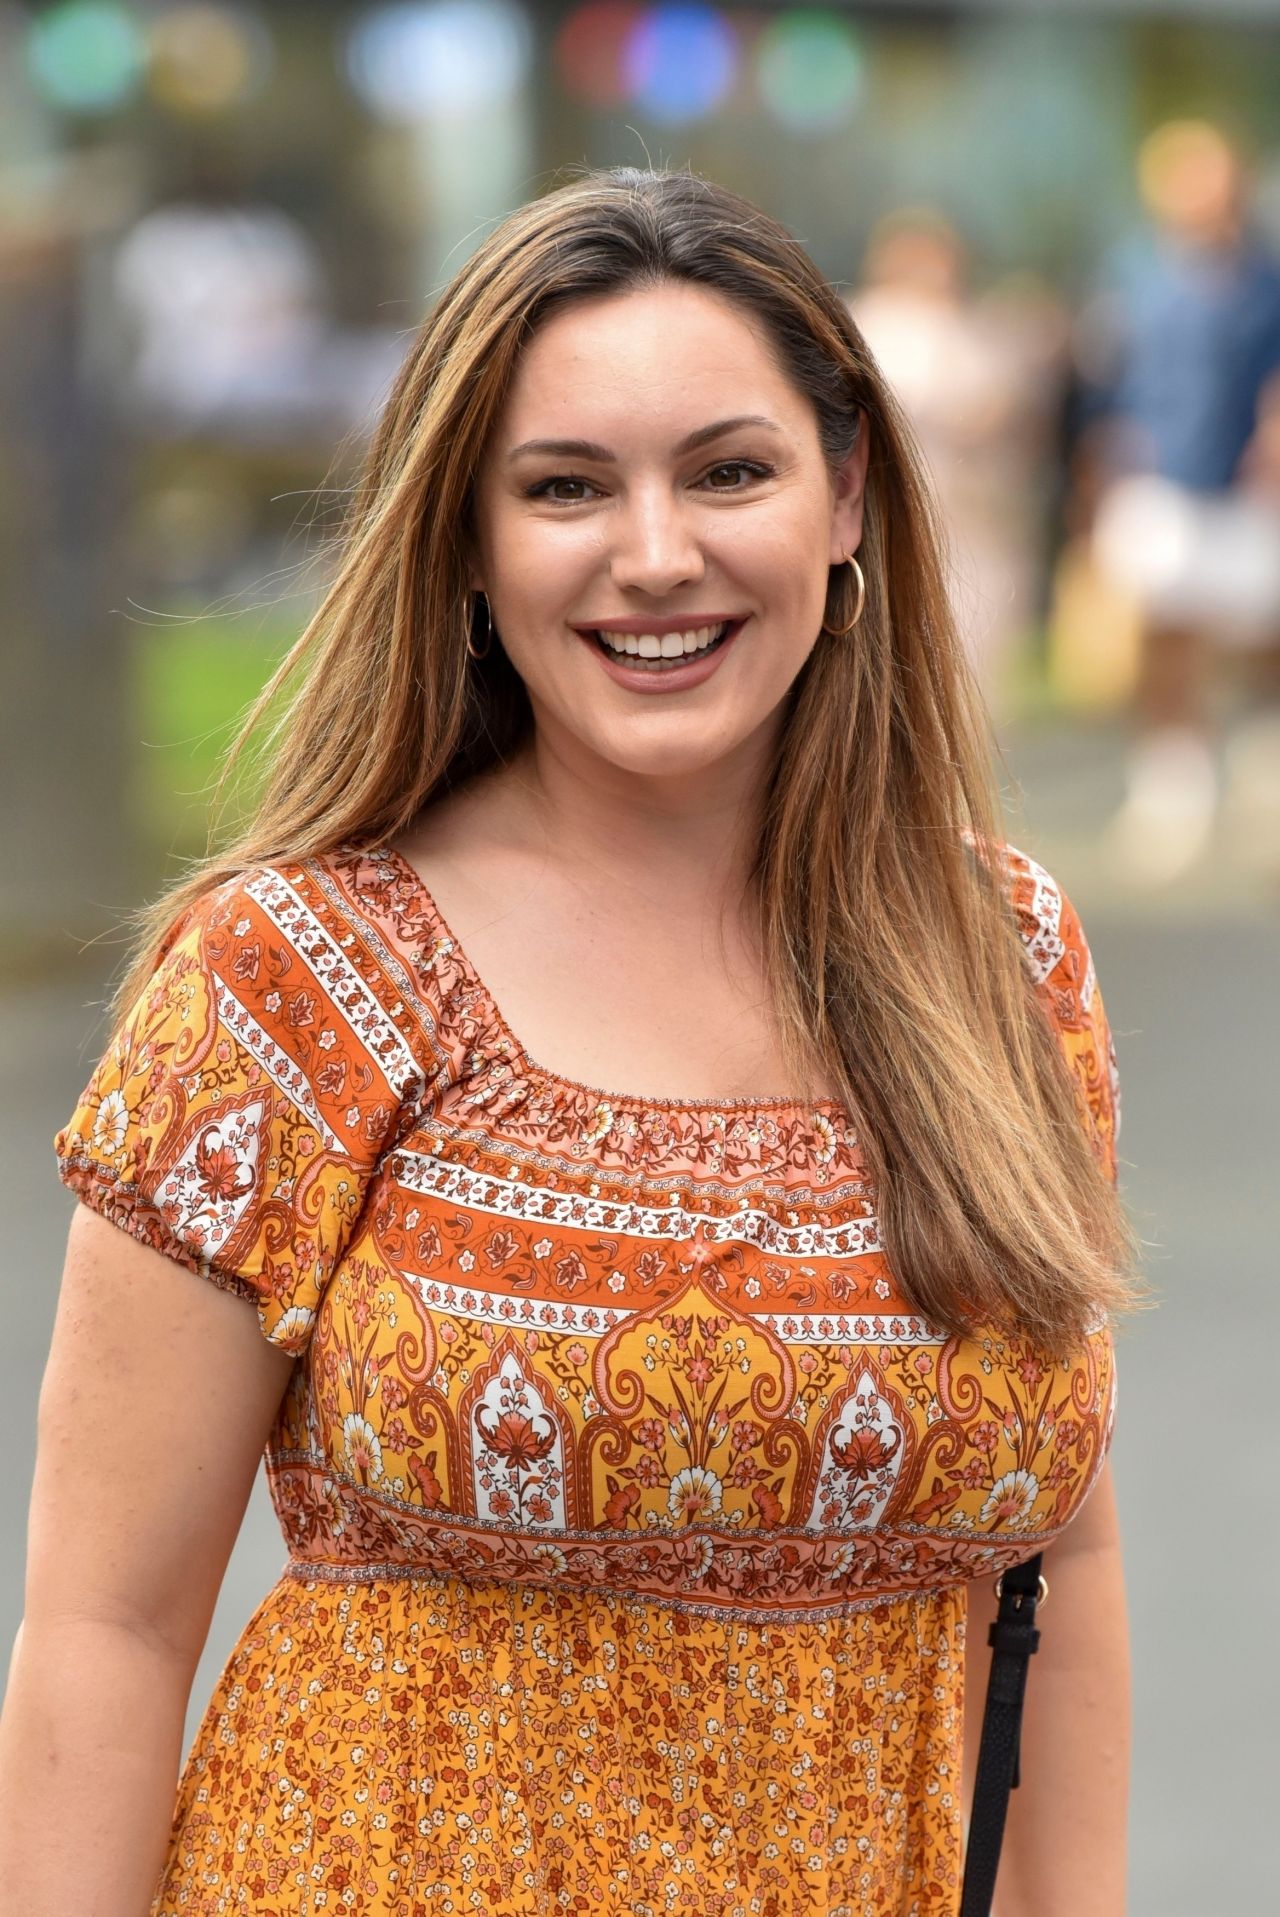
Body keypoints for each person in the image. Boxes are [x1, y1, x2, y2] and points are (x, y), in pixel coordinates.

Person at [0, 168, 1139, 1916]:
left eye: (729, 469)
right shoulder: (290, 980)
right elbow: (103, 1627)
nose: (657, 551)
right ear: (465, 535)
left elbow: (1055, 1563)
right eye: (565, 488)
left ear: (846, 498)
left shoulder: (1002, 957)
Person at [1077, 118, 1280, 884]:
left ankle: (1263, 761)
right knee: (1165, 628)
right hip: (1159, 476)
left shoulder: (1266, 280)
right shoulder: (1136, 274)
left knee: (1264, 635)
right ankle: (1172, 786)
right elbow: (1105, 384)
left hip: (1246, 487)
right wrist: (1097, 479)